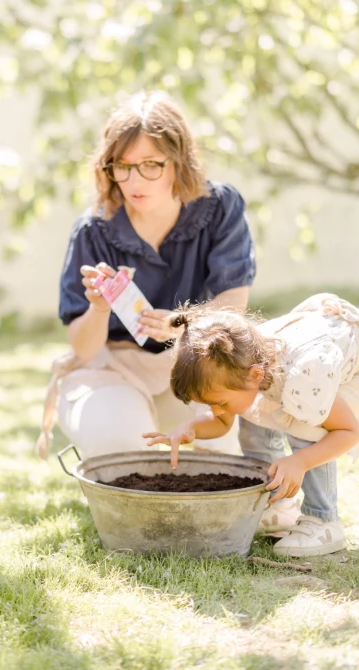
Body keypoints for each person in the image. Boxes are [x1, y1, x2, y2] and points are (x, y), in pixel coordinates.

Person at [38, 91, 256, 465]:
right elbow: (85, 348)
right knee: (127, 453)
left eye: (150, 164)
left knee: (222, 453)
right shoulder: (94, 231)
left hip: (193, 362)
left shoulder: (220, 208)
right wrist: (99, 308)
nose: (134, 180)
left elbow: (232, 309)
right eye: (121, 166)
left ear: (179, 161)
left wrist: (181, 324)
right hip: (114, 369)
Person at [144, 294, 359, 556]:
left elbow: (348, 432)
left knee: (306, 421)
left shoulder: (303, 379)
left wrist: (300, 461)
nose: (217, 410)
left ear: (255, 375)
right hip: (312, 360)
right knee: (253, 413)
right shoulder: (241, 362)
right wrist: (190, 428)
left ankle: (323, 521)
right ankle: (278, 504)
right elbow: (222, 422)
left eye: (220, 403)